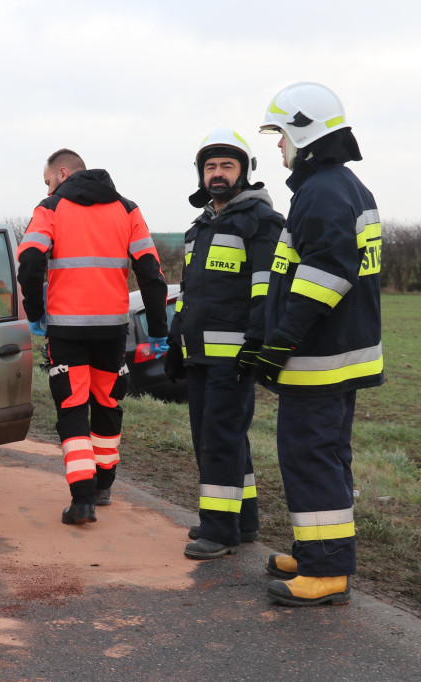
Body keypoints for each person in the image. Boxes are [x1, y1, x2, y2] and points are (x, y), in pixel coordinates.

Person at [256, 82, 383, 606]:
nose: (278, 146)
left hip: (319, 359)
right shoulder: (342, 186)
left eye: (281, 135)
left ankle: (328, 570)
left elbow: (326, 274)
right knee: (326, 456)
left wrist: (281, 340)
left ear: (305, 132)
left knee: (310, 457)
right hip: (336, 355)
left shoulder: (322, 192)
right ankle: (316, 552)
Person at [18, 149, 168, 524]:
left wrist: (36, 313)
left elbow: (31, 260)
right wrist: (159, 328)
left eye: (49, 179)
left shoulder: (50, 207)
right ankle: (103, 486)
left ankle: (82, 500)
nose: (48, 186)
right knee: (107, 404)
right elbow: (150, 271)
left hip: (66, 330)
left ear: (62, 172)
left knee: (72, 407)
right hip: (113, 330)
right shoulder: (128, 209)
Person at [165, 129, 284, 560]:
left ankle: (219, 530)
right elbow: (189, 294)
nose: (217, 174)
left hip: (234, 358)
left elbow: (266, 292)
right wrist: (176, 342)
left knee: (219, 439)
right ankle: (242, 519)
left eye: (226, 166)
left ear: (245, 172)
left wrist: (255, 345)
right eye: (210, 167)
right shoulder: (198, 229)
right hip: (199, 356)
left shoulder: (262, 223)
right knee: (220, 438)